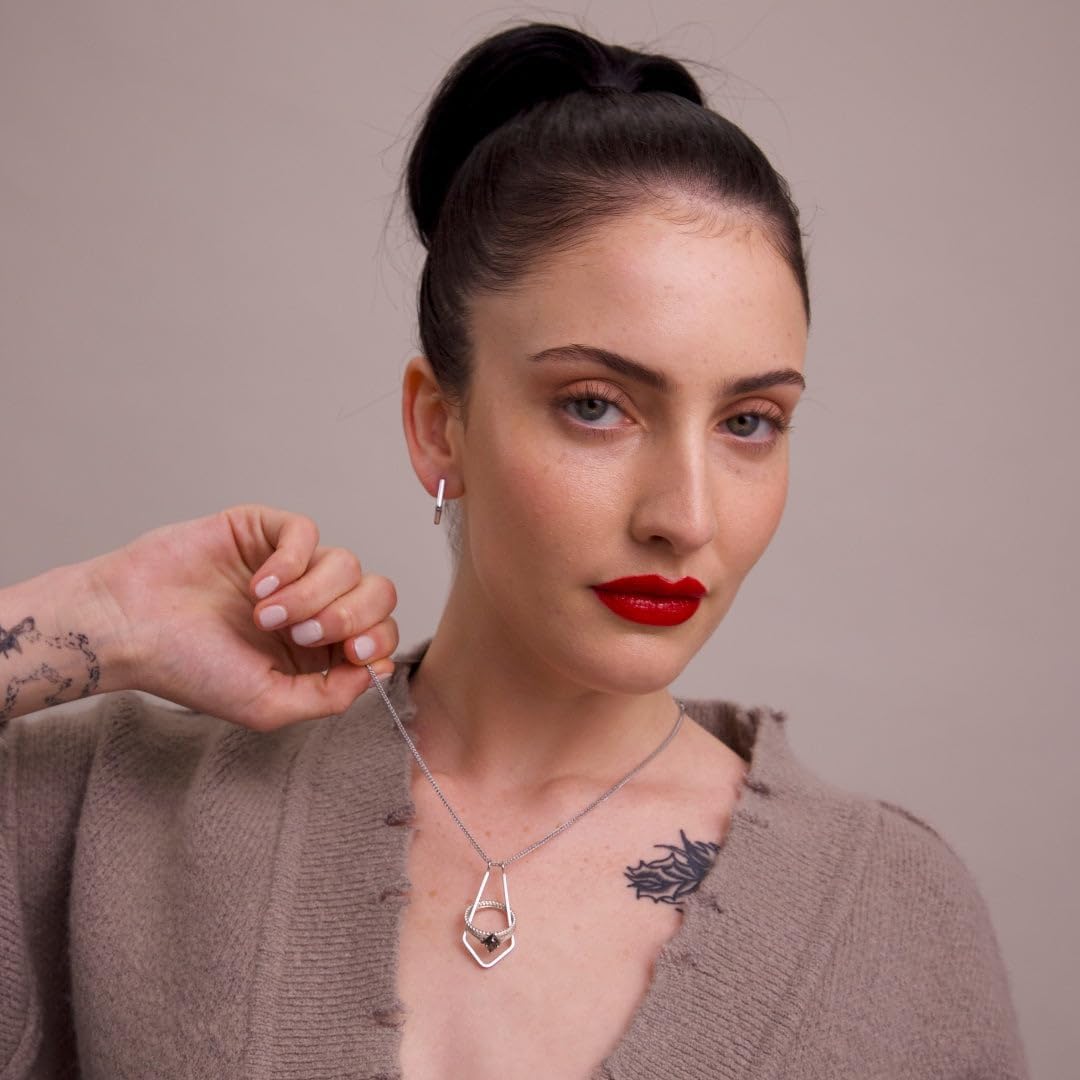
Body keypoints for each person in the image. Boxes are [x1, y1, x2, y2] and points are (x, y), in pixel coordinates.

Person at [0, 20, 1029, 1080]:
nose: (685, 516)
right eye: (596, 404)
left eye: (749, 422)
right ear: (438, 424)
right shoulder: (118, 816)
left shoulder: (896, 923)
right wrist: (95, 619)